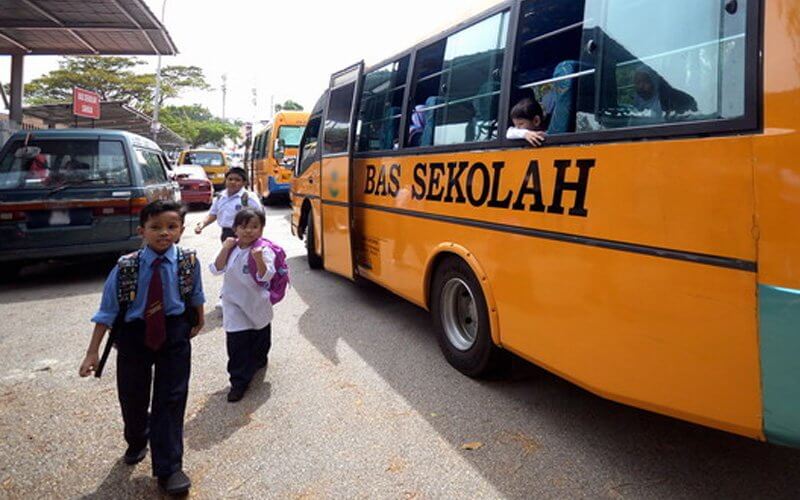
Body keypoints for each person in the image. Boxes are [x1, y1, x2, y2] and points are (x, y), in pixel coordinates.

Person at [78, 199, 205, 496]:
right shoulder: (126, 267)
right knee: (133, 396)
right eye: (156, 227)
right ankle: (137, 438)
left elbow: (196, 292)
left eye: (171, 227)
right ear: (142, 231)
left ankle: (169, 467)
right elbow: (107, 311)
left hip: (174, 332)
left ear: (181, 230)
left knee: (171, 398)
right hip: (134, 336)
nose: (164, 233)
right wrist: (92, 351)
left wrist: (197, 320)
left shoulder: (187, 261)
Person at [209, 207, 276, 402]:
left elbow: (266, 276)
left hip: (257, 304)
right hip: (233, 305)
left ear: (261, 229)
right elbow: (216, 269)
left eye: (254, 226)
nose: (248, 231)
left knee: (260, 340)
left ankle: (258, 360)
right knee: (236, 344)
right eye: (243, 226)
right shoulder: (231, 248)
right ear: (235, 228)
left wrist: (259, 260)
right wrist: (225, 248)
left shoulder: (264, 250)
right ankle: (238, 383)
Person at [194, 167, 263, 241]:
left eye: (237, 180)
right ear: (225, 180)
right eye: (230, 179)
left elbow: (260, 219)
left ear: (244, 183)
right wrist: (202, 224)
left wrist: (258, 239)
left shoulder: (249, 197)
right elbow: (213, 214)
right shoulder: (220, 197)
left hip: (245, 235)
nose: (233, 182)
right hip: (226, 234)